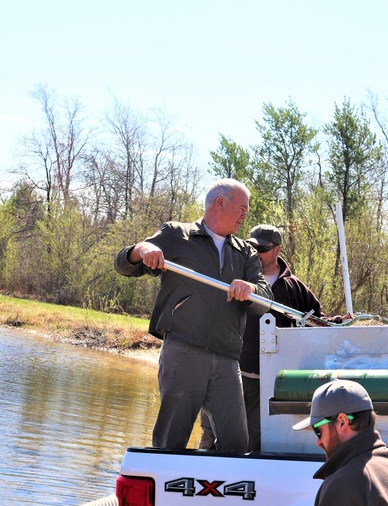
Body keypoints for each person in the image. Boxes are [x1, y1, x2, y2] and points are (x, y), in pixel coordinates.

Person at [114, 179, 273, 453]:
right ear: (220, 203)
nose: (246, 215)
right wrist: (142, 251)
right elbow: (124, 265)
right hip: (183, 352)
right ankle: (163, 489)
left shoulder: (245, 252)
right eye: (242, 208)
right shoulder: (177, 235)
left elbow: (265, 300)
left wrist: (251, 289)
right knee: (170, 441)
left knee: (236, 444)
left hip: (227, 358)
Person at [200, 224, 330, 452]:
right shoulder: (233, 277)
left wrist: (343, 322)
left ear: (277, 250)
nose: (256, 253)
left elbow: (318, 322)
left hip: (266, 381)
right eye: (251, 247)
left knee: (250, 442)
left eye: (262, 248)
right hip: (226, 372)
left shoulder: (294, 288)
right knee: (210, 438)